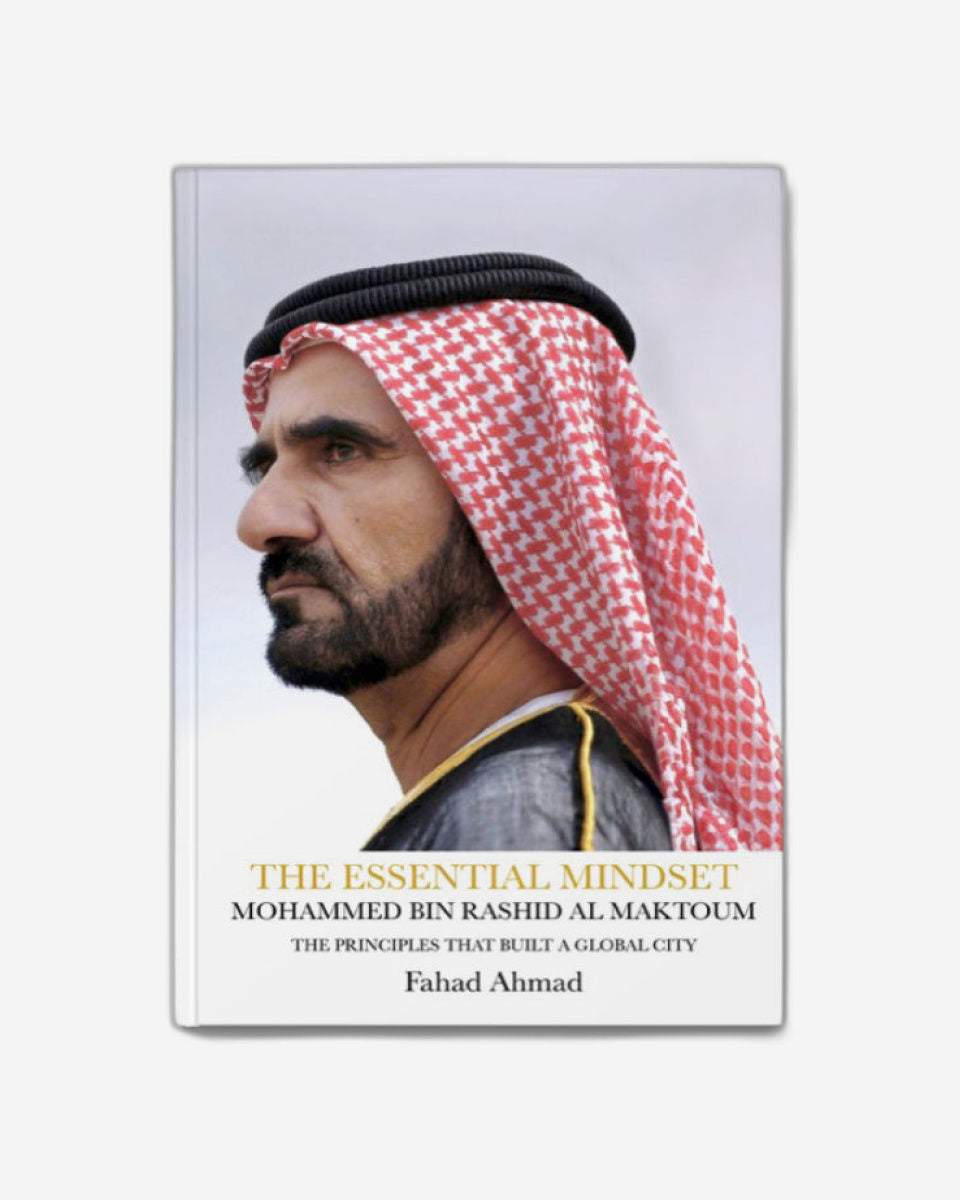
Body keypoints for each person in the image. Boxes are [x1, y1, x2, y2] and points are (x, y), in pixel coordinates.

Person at [237, 253, 782, 852]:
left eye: (342, 451)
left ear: (525, 492)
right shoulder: (520, 797)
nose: (258, 522)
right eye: (264, 469)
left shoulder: (524, 817)